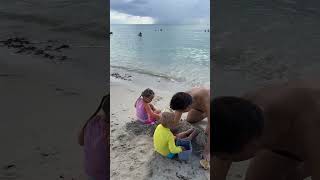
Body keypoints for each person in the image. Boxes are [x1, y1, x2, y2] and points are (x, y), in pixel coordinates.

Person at [212, 80, 320, 180]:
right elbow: (220, 159)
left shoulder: (310, 123)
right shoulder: (238, 111)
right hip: (286, 137)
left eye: (227, 158)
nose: (222, 160)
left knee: (294, 176)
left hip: (310, 135)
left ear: (252, 145)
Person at [170, 87, 210, 163]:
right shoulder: (183, 98)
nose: (179, 112)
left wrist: (207, 151)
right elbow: (177, 117)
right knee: (190, 119)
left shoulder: (206, 99)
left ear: (188, 107)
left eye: (182, 111)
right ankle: (206, 114)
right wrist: (171, 133)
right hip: (201, 107)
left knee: (207, 134)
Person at [78, 95, 109, 180]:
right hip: (103, 175)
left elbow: (80, 141)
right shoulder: (108, 133)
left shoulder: (93, 120)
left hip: (90, 170)